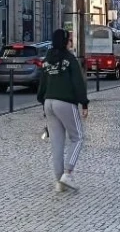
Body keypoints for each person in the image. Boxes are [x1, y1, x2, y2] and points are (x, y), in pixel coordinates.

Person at [37, 28, 89, 193]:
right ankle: (67, 173)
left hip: (48, 102)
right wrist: (84, 103)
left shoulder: (47, 59)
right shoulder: (69, 58)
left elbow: (42, 84)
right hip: (65, 102)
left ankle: (59, 182)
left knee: (57, 144)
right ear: (65, 41)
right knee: (78, 137)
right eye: (70, 40)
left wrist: (43, 100)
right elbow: (78, 82)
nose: (71, 43)